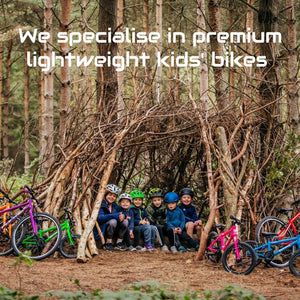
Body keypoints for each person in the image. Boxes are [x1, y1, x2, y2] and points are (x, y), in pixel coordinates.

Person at [94, 184, 127, 252]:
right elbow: (100, 218)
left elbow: (121, 212)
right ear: (105, 195)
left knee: (125, 222)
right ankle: (108, 243)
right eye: (110, 195)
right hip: (102, 229)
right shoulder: (100, 204)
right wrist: (114, 216)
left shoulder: (114, 205)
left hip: (113, 230)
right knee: (113, 221)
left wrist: (123, 216)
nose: (112, 197)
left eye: (114, 196)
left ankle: (119, 242)